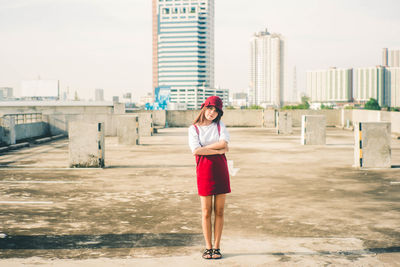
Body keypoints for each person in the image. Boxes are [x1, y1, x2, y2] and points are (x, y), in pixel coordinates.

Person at [188, 96, 231, 260]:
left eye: (216, 110)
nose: (212, 113)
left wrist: (206, 148)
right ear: (204, 107)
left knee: (219, 211)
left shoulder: (220, 126)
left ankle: (217, 247)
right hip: (204, 171)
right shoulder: (194, 129)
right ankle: (208, 247)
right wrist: (217, 151)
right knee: (206, 212)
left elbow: (225, 145)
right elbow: (196, 151)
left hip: (221, 170)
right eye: (210, 108)